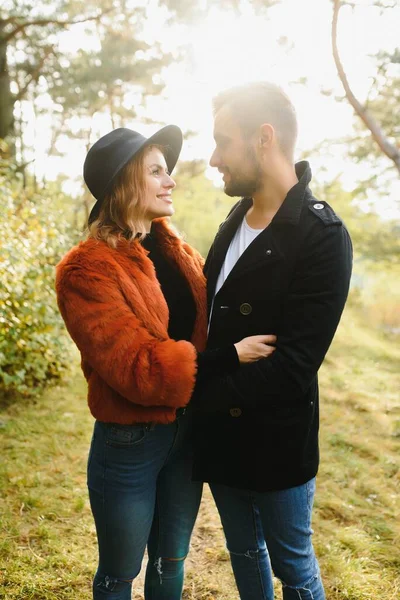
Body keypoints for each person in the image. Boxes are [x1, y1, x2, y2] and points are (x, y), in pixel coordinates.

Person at [55, 124, 276, 600]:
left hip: (188, 430)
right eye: (156, 171)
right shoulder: (87, 269)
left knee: (171, 559)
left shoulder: (178, 252)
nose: (170, 180)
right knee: (119, 571)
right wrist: (227, 358)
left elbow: (217, 311)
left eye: (167, 170)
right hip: (130, 439)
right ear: (124, 185)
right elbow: (137, 366)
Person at [192, 82, 353, 600]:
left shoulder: (321, 234)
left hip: (276, 442)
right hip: (223, 441)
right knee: (243, 553)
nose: (213, 158)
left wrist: (197, 395)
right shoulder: (233, 221)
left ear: (264, 138)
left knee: (294, 567)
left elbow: (294, 367)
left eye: (222, 141)